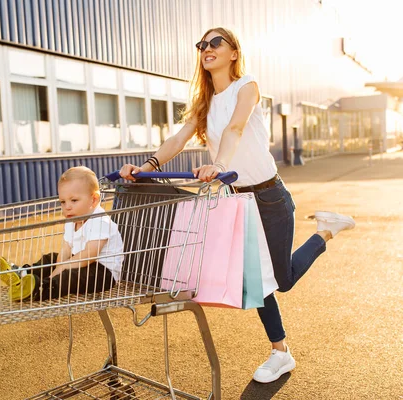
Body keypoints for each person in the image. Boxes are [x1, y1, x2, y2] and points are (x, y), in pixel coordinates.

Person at [119, 27, 356, 383]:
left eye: (216, 42)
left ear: (233, 52)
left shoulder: (247, 86)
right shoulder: (203, 103)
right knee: (259, 282)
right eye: (202, 44)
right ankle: (281, 353)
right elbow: (179, 139)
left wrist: (220, 164)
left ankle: (326, 231)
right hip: (238, 199)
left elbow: (236, 129)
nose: (207, 48)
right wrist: (148, 166)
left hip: (269, 195)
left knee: (282, 280)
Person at [0, 166, 124, 302]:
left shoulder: (100, 221)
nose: (67, 206)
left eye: (74, 200)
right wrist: (59, 265)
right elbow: (66, 249)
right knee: (50, 259)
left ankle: (41, 289)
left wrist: (61, 269)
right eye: (63, 202)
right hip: (80, 262)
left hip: (103, 274)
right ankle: (24, 274)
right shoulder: (72, 219)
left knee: (70, 276)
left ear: (94, 200)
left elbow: (88, 256)